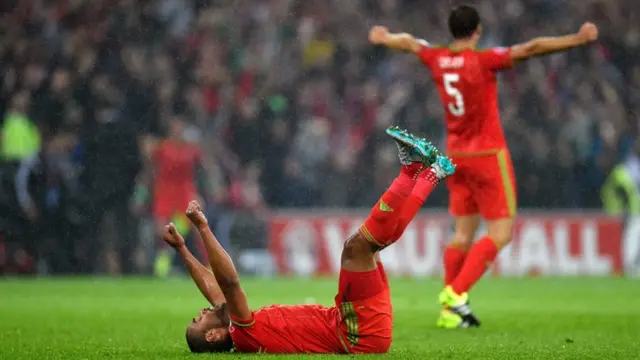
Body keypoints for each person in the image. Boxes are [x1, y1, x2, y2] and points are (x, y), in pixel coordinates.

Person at [368, 4, 599, 328]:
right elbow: (531, 48)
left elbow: (409, 42)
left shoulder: (437, 58)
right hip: (488, 155)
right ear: (477, 31)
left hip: (455, 157)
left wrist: (385, 37)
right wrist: (577, 39)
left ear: (452, 31)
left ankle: (450, 313)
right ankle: (456, 293)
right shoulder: (483, 60)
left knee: (462, 234)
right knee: (500, 233)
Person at [161, 127, 455, 354]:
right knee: (357, 248)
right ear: (214, 336)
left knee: (368, 246)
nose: (200, 312)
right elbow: (229, 283)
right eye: (198, 320)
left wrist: (182, 249)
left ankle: (415, 170)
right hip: (357, 335)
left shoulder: (237, 324)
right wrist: (203, 228)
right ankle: (429, 172)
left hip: (355, 328)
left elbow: (213, 287)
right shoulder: (243, 333)